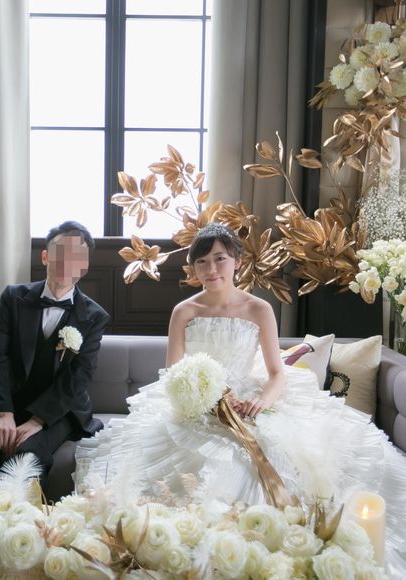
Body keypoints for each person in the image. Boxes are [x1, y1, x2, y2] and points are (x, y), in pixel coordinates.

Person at [75, 223, 406, 575]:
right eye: (202, 262)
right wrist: (204, 398)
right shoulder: (184, 311)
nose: (211, 269)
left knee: (274, 456)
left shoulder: (258, 309)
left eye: (220, 259)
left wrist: (262, 402)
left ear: (237, 261)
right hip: (196, 403)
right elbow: (173, 374)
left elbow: (277, 374)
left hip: (248, 402)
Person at [0, 220, 110, 499]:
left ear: (84, 265)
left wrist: (38, 421)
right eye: (60, 252)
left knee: (27, 453)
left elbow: (78, 378)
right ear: (45, 256)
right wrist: (4, 413)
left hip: (58, 412)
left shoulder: (94, 316)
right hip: (7, 403)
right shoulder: (13, 298)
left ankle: (21, 518)